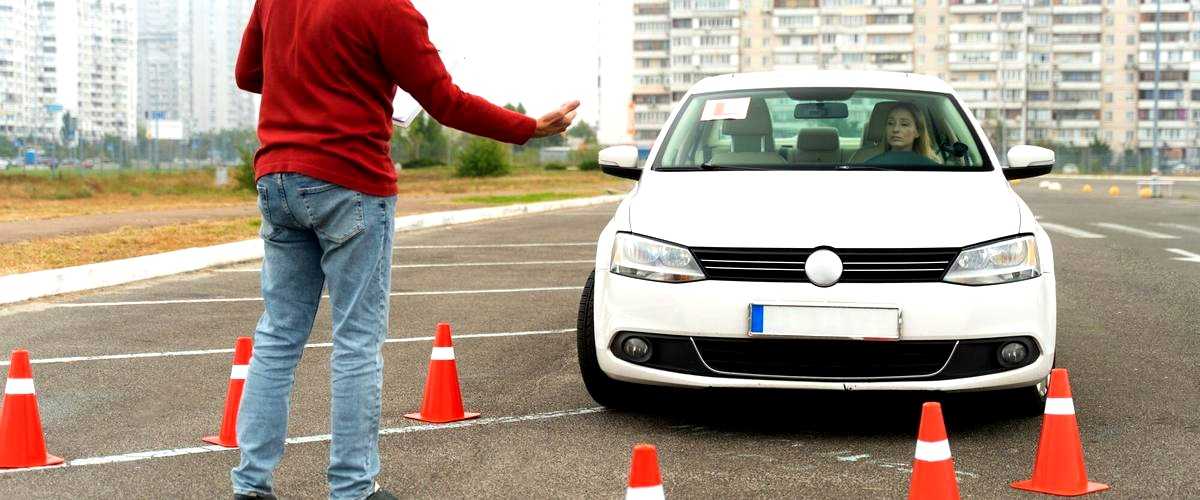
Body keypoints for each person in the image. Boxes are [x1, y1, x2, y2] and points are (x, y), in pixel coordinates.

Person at [230, 1, 578, 499]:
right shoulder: (387, 7)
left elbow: (248, 74)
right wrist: (527, 128)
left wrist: (309, 84)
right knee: (356, 340)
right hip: (349, 181)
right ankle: (352, 488)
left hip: (277, 177)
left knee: (278, 336)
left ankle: (251, 486)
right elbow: (445, 101)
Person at [862, 102, 941, 166]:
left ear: (918, 132)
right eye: (890, 123)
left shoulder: (933, 167)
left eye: (904, 124)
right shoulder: (868, 166)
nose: (895, 129)